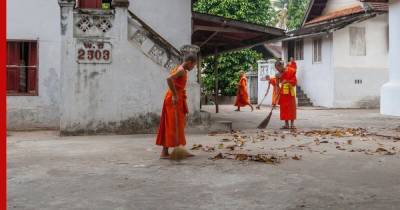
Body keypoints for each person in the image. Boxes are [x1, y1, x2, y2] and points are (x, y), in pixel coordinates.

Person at [156, 54, 197, 159]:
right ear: (189, 62)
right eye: (194, 65)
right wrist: (174, 94)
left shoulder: (181, 69)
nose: (193, 68)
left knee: (176, 124)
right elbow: (169, 79)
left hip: (176, 98)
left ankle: (176, 150)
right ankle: (165, 152)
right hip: (173, 99)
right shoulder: (181, 70)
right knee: (173, 124)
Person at [275, 61, 297, 129]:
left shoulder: (291, 71)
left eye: (278, 68)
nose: (277, 70)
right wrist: (277, 92)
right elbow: (277, 85)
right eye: (276, 68)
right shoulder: (278, 74)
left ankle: (292, 124)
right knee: (284, 108)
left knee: (291, 108)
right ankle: (286, 124)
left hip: (290, 93)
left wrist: (287, 81)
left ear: (281, 66)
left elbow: (295, 81)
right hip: (283, 93)